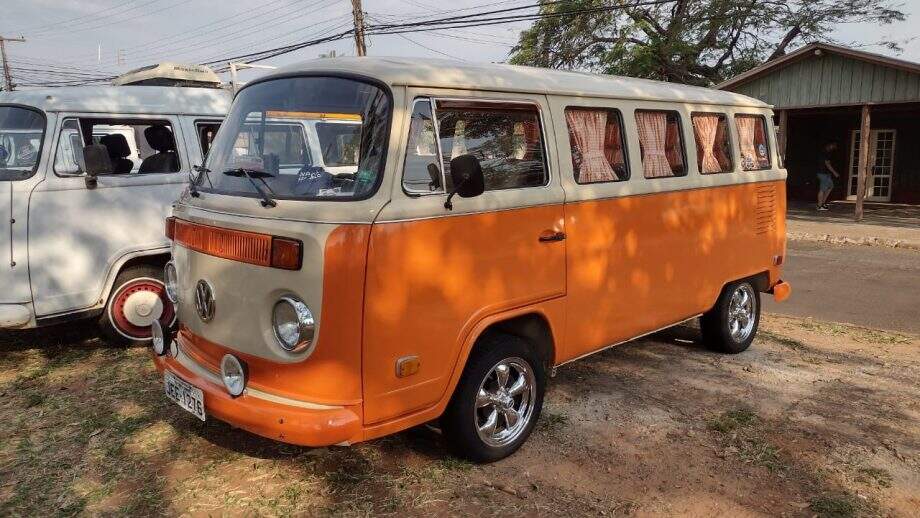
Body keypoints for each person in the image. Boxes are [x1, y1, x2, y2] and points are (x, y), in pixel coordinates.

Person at [816, 142, 840, 211]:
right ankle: (819, 205)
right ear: (830, 145)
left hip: (826, 173)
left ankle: (823, 203)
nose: (834, 147)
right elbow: (827, 164)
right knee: (822, 189)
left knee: (830, 186)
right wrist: (834, 172)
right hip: (822, 173)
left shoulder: (827, 152)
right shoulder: (825, 152)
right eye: (834, 146)